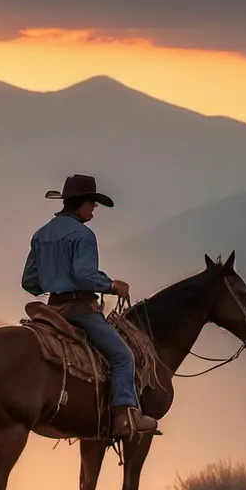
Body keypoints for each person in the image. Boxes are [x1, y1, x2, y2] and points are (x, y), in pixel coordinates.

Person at [21, 174, 158, 438]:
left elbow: (30, 282)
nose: (94, 209)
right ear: (80, 203)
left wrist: (54, 276)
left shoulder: (41, 235)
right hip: (79, 310)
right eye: (92, 203)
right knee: (123, 357)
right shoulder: (83, 234)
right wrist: (112, 285)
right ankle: (124, 418)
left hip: (51, 310)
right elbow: (85, 276)